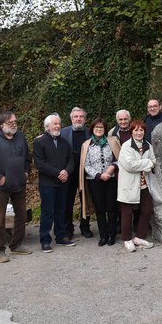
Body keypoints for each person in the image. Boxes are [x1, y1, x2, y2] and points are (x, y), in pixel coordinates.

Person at [0, 111, 32, 263]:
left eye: (15, 121)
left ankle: (16, 245)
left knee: (22, 215)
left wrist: (26, 172)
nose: (14, 124)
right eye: (10, 122)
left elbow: (28, 157)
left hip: (19, 184)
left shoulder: (20, 137)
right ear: (2, 125)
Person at [34, 113, 76, 252]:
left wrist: (66, 172)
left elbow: (71, 160)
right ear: (47, 127)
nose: (58, 126)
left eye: (59, 124)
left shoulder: (64, 142)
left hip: (63, 182)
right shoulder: (40, 142)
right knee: (47, 212)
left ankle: (61, 237)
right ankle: (45, 240)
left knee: (61, 210)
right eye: (54, 124)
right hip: (48, 183)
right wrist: (58, 173)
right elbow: (40, 163)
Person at [79, 117, 119, 246]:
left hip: (111, 179)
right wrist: (98, 175)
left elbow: (118, 158)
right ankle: (103, 235)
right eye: (96, 127)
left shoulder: (112, 142)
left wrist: (110, 170)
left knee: (112, 208)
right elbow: (85, 165)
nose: (99, 129)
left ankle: (112, 235)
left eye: (101, 127)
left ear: (105, 129)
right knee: (100, 209)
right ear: (92, 129)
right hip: (95, 180)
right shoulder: (87, 145)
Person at [117, 120, 156, 252]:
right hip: (129, 184)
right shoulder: (126, 146)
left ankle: (139, 237)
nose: (139, 133)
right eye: (136, 130)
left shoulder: (148, 145)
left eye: (141, 130)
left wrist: (145, 163)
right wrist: (146, 162)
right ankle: (127, 240)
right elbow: (129, 165)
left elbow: (153, 161)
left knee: (147, 209)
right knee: (127, 212)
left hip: (144, 184)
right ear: (131, 132)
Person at [61, 107, 93, 239]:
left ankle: (85, 227)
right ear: (71, 118)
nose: (78, 119)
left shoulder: (90, 133)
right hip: (69, 173)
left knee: (86, 200)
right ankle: (68, 228)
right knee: (67, 202)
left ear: (85, 119)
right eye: (76, 116)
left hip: (85, 172)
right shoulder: (62, 132)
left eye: (81, 116)